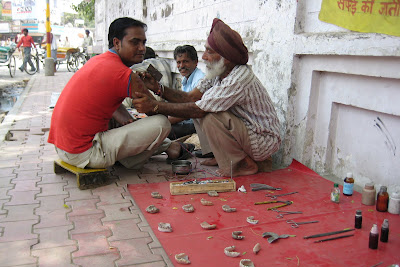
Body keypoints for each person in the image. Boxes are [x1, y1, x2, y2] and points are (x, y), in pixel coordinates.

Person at [132, 18, 281, 177]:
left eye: (209, 52)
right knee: (202, 108)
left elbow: (197, 109)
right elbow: (191, 97)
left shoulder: (239, 78)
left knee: (207, 114)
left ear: (226, 57)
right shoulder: (219, 72)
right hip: (247, 132)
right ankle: (217, 155)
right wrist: (158, 88)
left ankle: (242, 164)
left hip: (263, 140)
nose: (204, 57)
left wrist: (154, 106)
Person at [48, 17, 194, 170]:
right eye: (135, 42)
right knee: (161, 125)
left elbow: (114, 106)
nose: (142, 48)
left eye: (143, 42)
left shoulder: (98, 61)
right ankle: (158, 151)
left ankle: (171, 148)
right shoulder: (123, 74)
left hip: (63, 148)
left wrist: (130, 120)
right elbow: (157, 113)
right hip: (84, 153)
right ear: (117, 43)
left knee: (134, 122)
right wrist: (157, 90)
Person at [168, 45, 208, 147]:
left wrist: (167, 120)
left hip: (198, 122)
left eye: (185, 61)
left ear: (195, 62)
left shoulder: (200, 80)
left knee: (165, 130)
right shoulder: (186, 79)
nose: (181, 65)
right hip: (189, 118)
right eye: (178, 62)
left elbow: (190, 111)